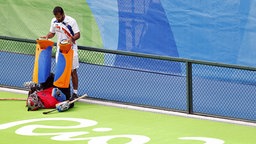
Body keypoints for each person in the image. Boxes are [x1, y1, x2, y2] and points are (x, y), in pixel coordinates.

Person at [41, 6, 80, 100]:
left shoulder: (71, 21)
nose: (57, 19)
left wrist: (72, 38)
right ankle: (63, 91)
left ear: (62, 14)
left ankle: (75, 93)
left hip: (71, 50)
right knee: (61, 71)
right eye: (56, 17)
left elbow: (78, 34)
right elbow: (52, 33)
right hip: (60, 50)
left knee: (72, 72)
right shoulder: (54, 21)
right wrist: (47, 36)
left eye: (59, 17)